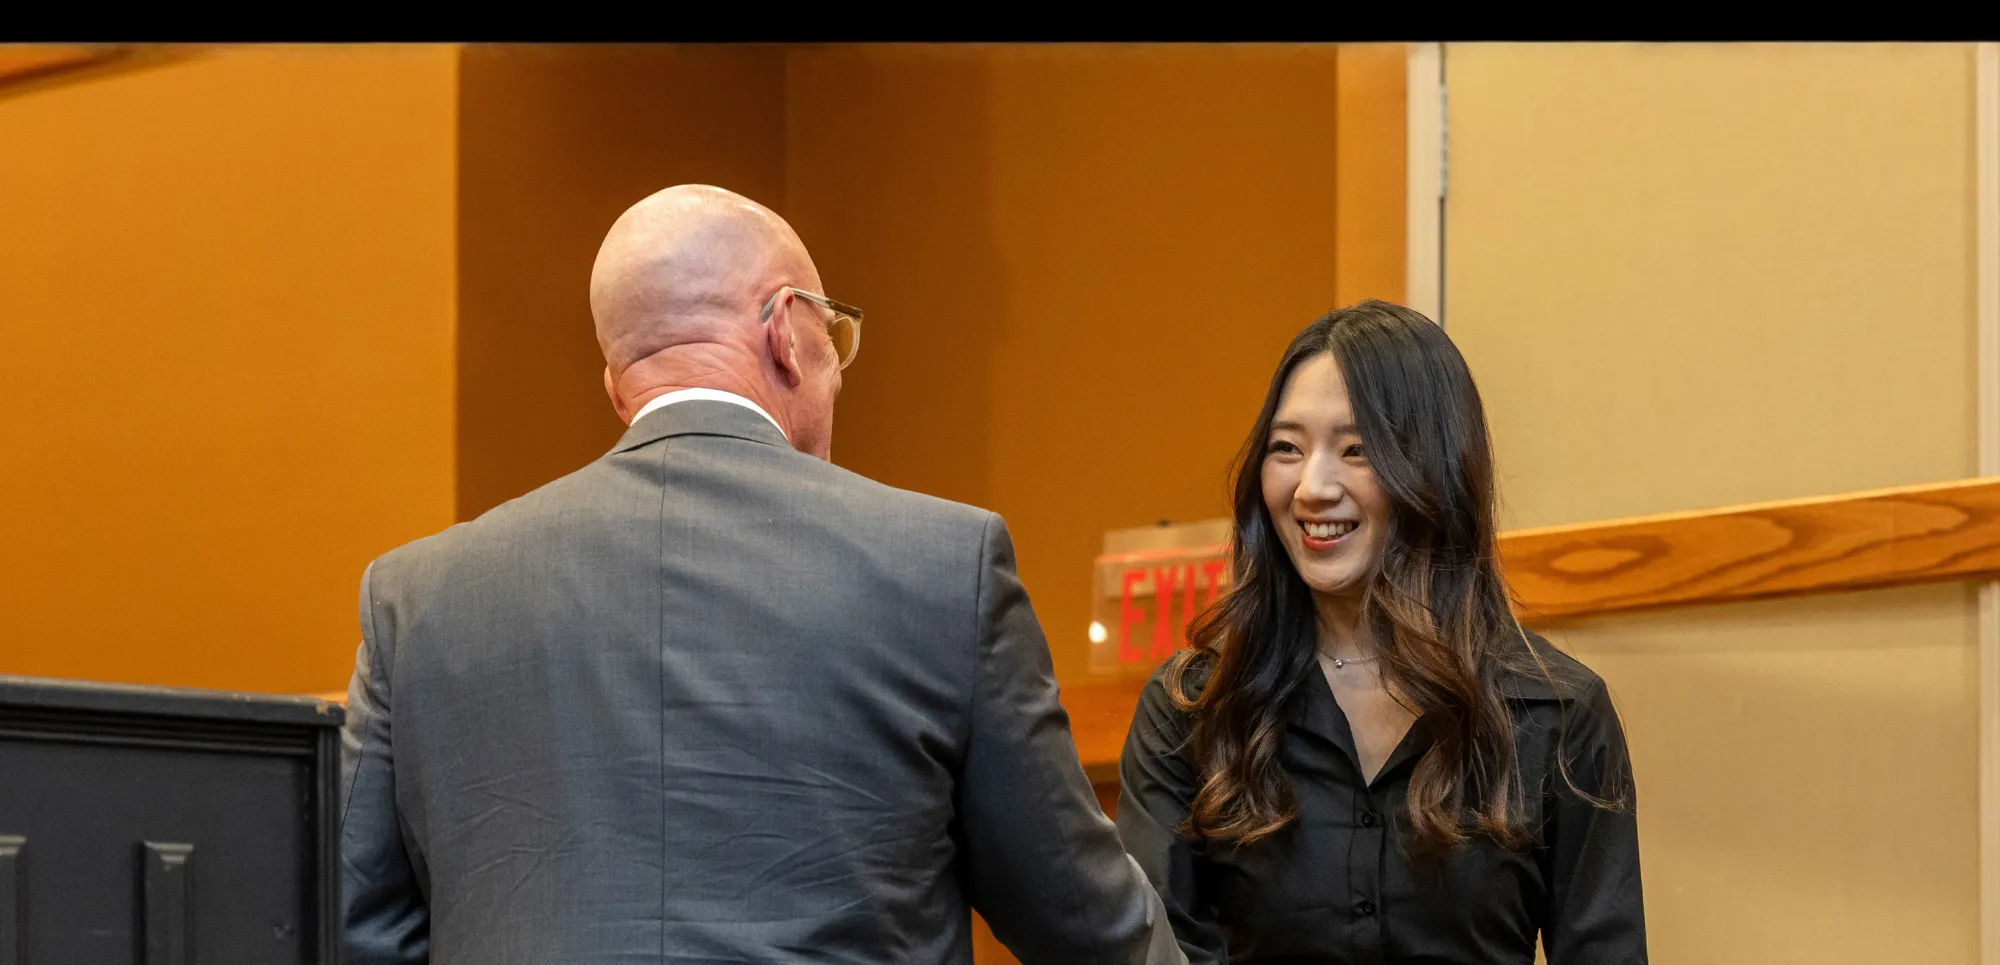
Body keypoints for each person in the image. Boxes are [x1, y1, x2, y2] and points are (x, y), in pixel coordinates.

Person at [340, 184, 1183, 965]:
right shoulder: (941, 564)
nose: (837, 371)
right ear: (787, 329)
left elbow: (360, 930)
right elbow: (1089, 928)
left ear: (616, 384)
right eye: (833, 338)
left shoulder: (416, 601)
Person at [1117, 300, 1645, 964]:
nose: (1312, 487)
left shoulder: (1560, 714)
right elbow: (1155, 948)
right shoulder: (1193, 707)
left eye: (1356, 449)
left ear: (1434, 470)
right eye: (1286, 448)